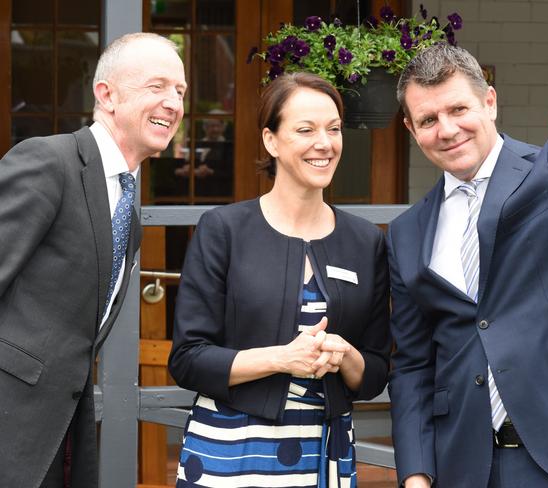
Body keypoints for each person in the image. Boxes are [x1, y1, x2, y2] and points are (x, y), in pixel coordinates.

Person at [387, 43, 548, 488]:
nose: (447, 130)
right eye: (429, 120)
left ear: (489, 102)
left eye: (458, 109)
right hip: (466, 466)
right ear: (412, 129)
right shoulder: (406, 232)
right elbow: (412, 365)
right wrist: (415, 472)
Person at [168, 72, 391, 488]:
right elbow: (188, 359)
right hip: (230, 452)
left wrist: (344, 355)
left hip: (325, 453)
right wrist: (283, 359)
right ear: (270, 140)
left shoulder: (366, 242)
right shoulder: (224, 230)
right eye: (305, 130)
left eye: (334, 129)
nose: (324, 143)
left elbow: (376, 372)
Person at [0, 32, 186, 488]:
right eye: (156, 86)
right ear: (106, 95)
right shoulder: (48, 161)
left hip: (61, 436)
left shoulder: (127, 206)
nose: (173, 103)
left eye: (179, 92)